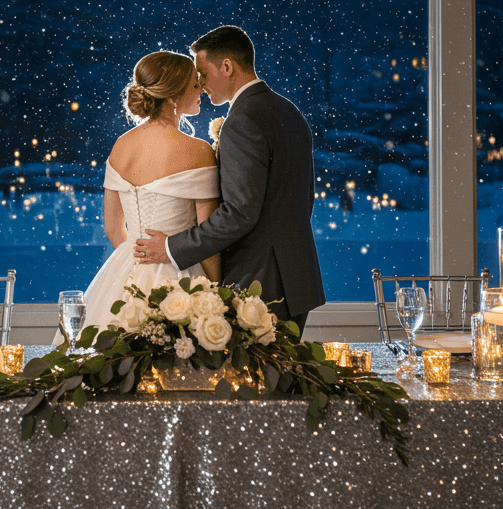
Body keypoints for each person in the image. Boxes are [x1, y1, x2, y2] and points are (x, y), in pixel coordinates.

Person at [135, 25, 325, 336]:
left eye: (203, 73)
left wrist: (170, 247)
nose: (199, 82)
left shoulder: (243, 120)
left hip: (259, 281)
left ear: (227, 66)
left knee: (252, 383)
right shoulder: (288, 111)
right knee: (280, 380)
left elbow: (239, 213)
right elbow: (303, 197)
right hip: (294, 276)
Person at [80, 50, 222, 335]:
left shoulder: (121, 146)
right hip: (183, 272)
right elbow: (208, 235)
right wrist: (217, 289)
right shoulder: (198, 151)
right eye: (195, 85)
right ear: (172, 96)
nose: (201, 91)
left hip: (126, 268)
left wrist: (134, 265)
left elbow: (112, 227)